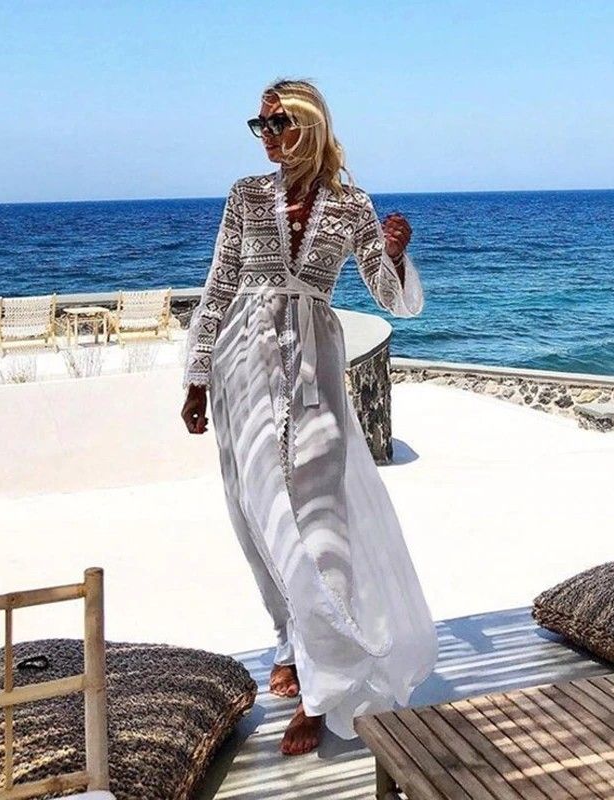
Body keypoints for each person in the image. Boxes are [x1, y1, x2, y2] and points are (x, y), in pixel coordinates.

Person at [180, 78, 438, 756]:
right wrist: (197, 377)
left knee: (324, 523)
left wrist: (395, 255)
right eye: (260, 125)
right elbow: (218, 287)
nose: (267, 136)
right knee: (258, 516)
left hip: (315, 366)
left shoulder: (352, 204)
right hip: (242, 363)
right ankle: (289, 641)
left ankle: (323, 689)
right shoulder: (245, 195)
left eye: (279, 123)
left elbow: (391, 298)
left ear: (311, 125)